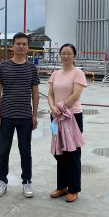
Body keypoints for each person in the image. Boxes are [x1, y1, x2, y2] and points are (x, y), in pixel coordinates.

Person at [0, 32, 40, 198]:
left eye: (24, 44)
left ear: (28, 47)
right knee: (3, 150)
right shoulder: (2, 67)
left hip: (25, 116)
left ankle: (26, 181)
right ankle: (2, 181)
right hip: (6, 115)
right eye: (18, 43)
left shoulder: (32, 68)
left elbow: (35, 92)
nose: (21, 46)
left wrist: (35, 115)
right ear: (12, 46)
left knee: (25, 151)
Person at [47, 43, 87, 203]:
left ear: (74, 56)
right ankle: (62, 186)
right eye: (63, 53)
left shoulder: (78, 73)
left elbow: (76, 95)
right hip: (55, 117)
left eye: (69, 53)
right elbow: (50, 94)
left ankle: (73, 189)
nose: (66, 56)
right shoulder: (55, 74)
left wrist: (61, 107)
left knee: (73, 153)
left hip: (72, 117)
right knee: (59, 152)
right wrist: (52, 108)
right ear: (60, 55)